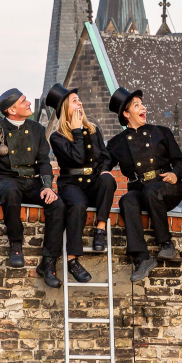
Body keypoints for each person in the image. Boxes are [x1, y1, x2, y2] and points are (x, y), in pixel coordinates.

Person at [0, 88, 65, 287]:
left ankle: (48, 262)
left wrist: (47, 186)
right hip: (5, 179)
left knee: (58, 205)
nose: (29, 103)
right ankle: (16, 245)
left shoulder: (37, 130)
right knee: (11, 193)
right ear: (12, 110)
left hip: (32, 181)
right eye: (23, 101)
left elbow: (44, 162)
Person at [107, 86, 182, 282]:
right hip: (139, 189)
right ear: (126, 114)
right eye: (137, 105)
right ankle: (142, 257)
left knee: (152, 191)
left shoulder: (161, 132)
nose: (143, 107)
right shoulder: (116, 143)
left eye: (142, 104)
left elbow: (180, 162)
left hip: (166, 187)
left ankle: (166, 243)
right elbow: (101, 168)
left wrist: (176, 175)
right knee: (127, 200)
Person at [45, 83, 117, 284]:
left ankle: (100, 230)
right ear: (65, 108)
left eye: (79, 99)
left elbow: (105, 156)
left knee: (108, 179)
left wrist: (103, 169)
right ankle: (72, 260)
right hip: (71, 184)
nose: (80, 103)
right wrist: (76, 132)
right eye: (75, 101)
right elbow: (76, 158)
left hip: (93, 181)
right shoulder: (57, 137)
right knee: (77, 206)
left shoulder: (93, 129)